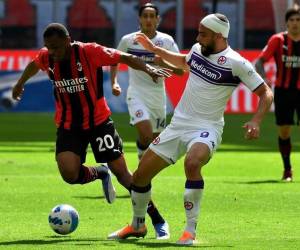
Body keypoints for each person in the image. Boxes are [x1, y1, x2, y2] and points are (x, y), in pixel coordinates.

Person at [108, 13, 273, 245]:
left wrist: (256, 120)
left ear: (218, 36)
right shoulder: (198, 49)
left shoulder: (237, 62)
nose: (197, 37)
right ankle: (138, 225)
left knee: (193, 163)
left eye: (202, 34)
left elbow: (266, 92)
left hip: (207, 128)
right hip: (178, 125)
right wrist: (154, 48)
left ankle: (189, 232)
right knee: (140, 176)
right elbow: (183, 62)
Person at [12, 23, 171, 239]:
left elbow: (124, 57)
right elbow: (34, 63)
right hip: (69, 125)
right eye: (49, 47)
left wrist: (149, 68)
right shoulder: (47, 56)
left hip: (98, 123)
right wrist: (20, 83)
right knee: (69, 174)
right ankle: (99, 172)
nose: (53, 53)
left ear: (68, 41)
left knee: (124, 175)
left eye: (57, 47)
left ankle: (157, 220)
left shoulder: (89, 51)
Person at [110, 2, 184, 161]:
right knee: (145, 133)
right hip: (136, 93)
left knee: (154, 139)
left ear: (158, 19)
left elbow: (181, 70)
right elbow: (114, 60)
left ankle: (142, 159)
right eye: (145, 16)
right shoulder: (128, 40)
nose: (148, 19)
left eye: (152, 16)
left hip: (157, 95)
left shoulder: (166, 41)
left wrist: (163, 63)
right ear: (140, 19)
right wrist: (114, 82)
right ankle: (142, 161)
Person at [255, 5, 300, 182]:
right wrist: (264, 79)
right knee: (284, 131)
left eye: (298, 20)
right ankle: (287, 170)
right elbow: (259, 62)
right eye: (292, 20)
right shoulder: (278, 40)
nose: (295, 23)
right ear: (286, 22)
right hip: (283, 92)